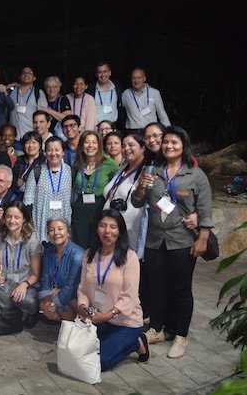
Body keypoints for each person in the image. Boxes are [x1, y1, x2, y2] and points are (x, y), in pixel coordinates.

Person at [132, 126, 213, 358]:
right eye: (166, 142)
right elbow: (138, 202)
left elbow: (206, 209)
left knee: (181, 289)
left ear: (184, 146)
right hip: (155, 240)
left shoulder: (195, 175)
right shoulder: (153, 170)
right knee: (156, 287)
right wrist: (140, 188)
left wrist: (203, 238)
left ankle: (180, 335)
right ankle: (157, 329)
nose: (168, 146)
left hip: (182, 240)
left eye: (174, 143)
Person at [77, 210, 148, 370]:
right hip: (98, 319)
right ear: (97, 229)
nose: (107, 231)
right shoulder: (89, 254)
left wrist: (107, 315)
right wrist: (82, 308)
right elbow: (83, 288)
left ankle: (136, 342)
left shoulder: (130, 257)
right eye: (103, 226)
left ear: (120, 231)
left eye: (113, 227)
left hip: (124, 321)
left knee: (99, 363)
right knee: (76, 352)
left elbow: (129, 296)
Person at [0, 201, 43, 327]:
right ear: (4, 218)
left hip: (24, 285)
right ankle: (13, 310)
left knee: (29, 302)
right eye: (9, 216)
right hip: (5, 284)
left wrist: (24, 285)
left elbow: (36, 275)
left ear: (24, 219)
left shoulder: (32, 241)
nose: (12, 221)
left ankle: (20, 310)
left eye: (17, 217)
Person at [71, 131, 119, 248]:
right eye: (87, 142)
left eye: (94, 142)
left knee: (97, 246)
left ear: (99, 146)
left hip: (99, 209)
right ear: (82, 146)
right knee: (80, 245)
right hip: (79, 211)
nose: (90, 145)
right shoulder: (77, 164)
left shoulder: (109, 164)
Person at [103, 133, 147, 258]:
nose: (126, 148)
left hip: (130, 230)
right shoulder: (123, 167)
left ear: (143, 147)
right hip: (112, 230)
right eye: (124, 145)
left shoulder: (146, 171)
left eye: (131, 145)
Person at [24, 136, 73, 242]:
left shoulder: (70, 171)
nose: (53, 153)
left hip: (64, 224)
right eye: (50, 150)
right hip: (41, 226)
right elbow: (27, 202)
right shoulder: (37, 172)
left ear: (63, 152)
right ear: (45, 153)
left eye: (57, 150)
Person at [38, 217, 84, 322]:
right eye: (51, 230)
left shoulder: (78, 254)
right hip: (55, 293)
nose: (56, 233)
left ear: (68, 232)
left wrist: (53, 304)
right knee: (43, 304)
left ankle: (76, 328)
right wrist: (46, 302)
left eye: (60, 229)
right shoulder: (48, 253)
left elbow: (71, 286)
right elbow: (45, 279)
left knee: (63, 303)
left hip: (74, 296)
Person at [121, 68, 171, 134]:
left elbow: (161, 113)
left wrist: (168, 130)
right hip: (132, 131)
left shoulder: (154, 93)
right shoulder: (126, 94)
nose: (136, 81)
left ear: (144, 79)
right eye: (134, 78)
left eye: (139, 78)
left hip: (151, 130)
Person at [6, 66, 47, 140]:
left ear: (34, 78)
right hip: (13, 137)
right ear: (19, 77)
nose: (26, 75)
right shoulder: (11, 91)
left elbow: (43, 115)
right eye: (24, 73)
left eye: (29, 73)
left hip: (31, 136)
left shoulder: (38, 93)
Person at [12, 131, 43, 198]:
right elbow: (12, 178)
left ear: (40, 145)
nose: (31, 145)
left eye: (34, 142)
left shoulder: (44, 162)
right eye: (27, 143)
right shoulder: (20, 160)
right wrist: (16, 182)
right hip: (18, 197)